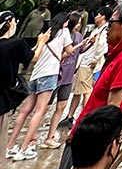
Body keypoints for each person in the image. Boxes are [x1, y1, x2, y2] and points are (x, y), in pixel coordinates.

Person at [54, 0, 122, 169]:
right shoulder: (119, 53)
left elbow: (111, 110)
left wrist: (87, 155)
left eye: (111, 23)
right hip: (83, 136)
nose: (107, 28)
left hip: (88, 143)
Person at [6, 11, 77, 160]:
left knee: (25, 111)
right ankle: (24, 148)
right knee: (39, 111)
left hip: (36, 75)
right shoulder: (64, 32)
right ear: (65, 22)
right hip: (49, 74)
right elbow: (70, 51)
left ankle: (10, 146)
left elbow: (35, 54)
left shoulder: (47, 33)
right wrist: (79, 46)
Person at [41, 12, 87, 148]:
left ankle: (50, 137)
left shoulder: (78, 36)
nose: (78, 26)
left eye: (80, 23)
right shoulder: (61, 34)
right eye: (77, 23)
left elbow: (80, 51)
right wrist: (75, 47)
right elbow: (64, 53)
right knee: (45, 107)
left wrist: (88, 44)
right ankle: (31, 137)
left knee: (61, 106)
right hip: (57, 73)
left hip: (69, 75)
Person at [66, 9, 108, 127]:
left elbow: (102, 49)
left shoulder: (104, 31)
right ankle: (70, 115)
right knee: (79, 91)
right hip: (86, 62)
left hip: (88, 63)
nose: (96, 17)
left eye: (98, 14)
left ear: (103, 16)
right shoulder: (98, 29)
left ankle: (86, 117)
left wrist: (95, 61)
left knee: (86, 91)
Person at [0, 12, 34, 147]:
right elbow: (32, 57)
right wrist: (42, 42)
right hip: (2, 102)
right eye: (14, 21)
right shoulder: (16, 43)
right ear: (8, 23)